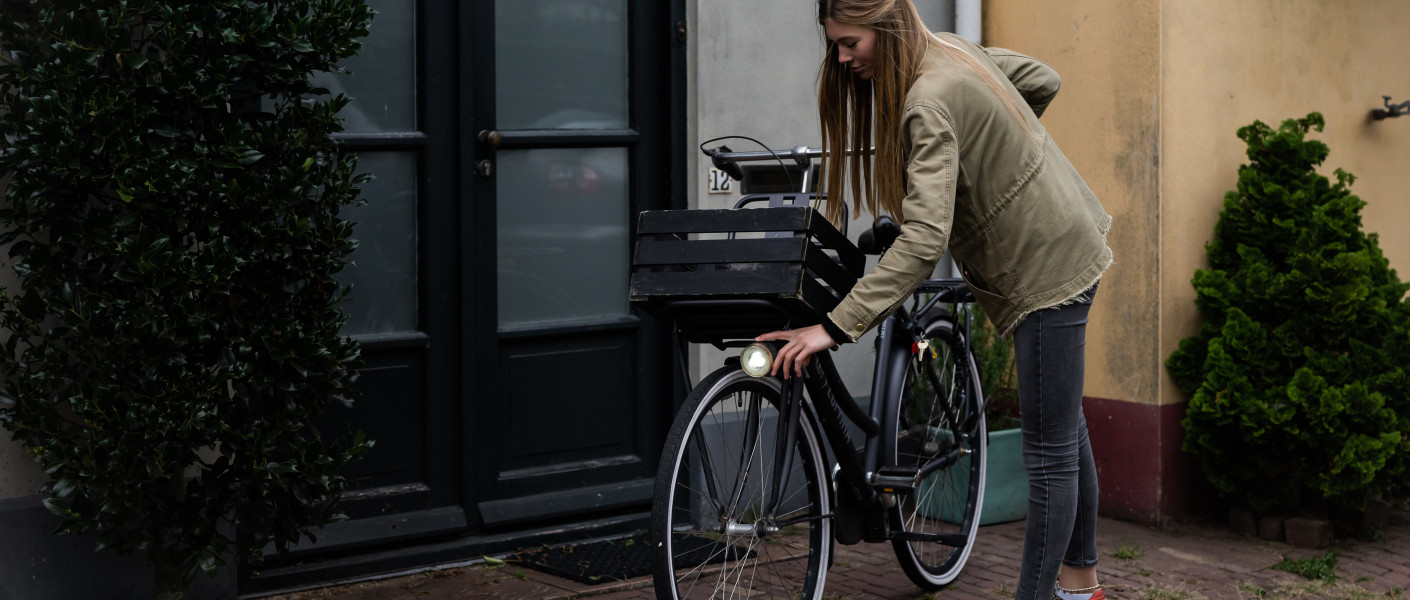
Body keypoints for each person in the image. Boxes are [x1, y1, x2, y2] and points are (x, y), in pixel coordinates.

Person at [755, 1, 1114, 599]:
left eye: (850, 43)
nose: (840, 58)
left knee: (1050, 454)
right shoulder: (951, 49)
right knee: (1063, 429)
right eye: (834, 45)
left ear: (884, 26)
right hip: (1065, 235)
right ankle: (1083, 586)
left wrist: (832, 327)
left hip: (1047, 266)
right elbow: (1041, 80)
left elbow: (923, 242)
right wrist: (998, 150)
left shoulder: (926, 100)